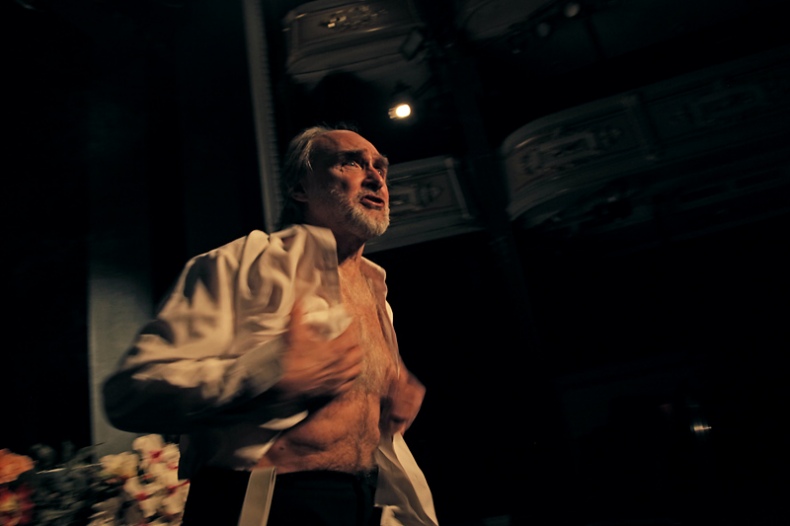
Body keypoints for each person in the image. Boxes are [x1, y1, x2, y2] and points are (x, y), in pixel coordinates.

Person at [102, 125, 438, 526]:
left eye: (379, 167)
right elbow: (131, 394)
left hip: (362, 502)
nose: (376, 178)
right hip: (268, 503)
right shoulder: (243, 262)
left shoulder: (377, 294)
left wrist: (391, 401)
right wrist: (266, 378)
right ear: (299, 188)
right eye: (350, 162)